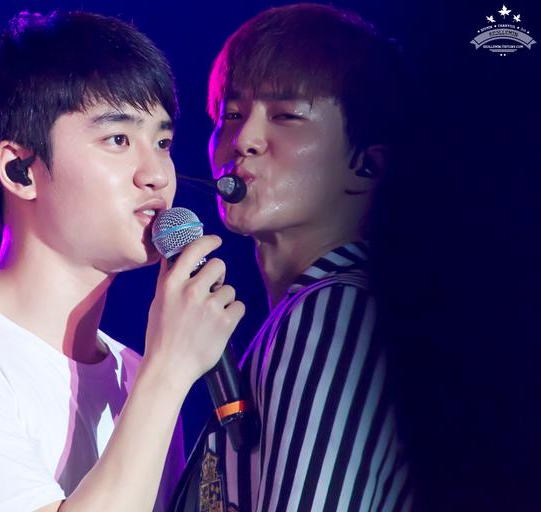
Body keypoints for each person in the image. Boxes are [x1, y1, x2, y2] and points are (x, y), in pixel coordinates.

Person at [0, 11, 245, 512]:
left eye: (163, 142)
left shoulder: (135, 373)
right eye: (118, 140)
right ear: (21, 171)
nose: (156, 174)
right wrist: (168, 372)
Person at [171, 4, 412, 511]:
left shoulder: (334, 312)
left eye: (286, 116)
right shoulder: (319, 310)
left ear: (366, 167)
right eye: (231, 114)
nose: (244, 140)